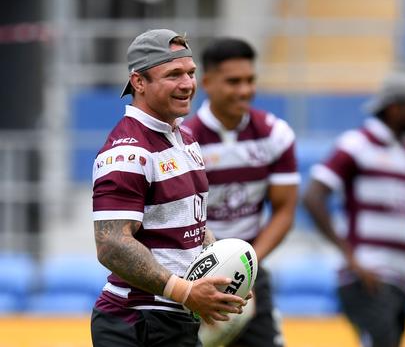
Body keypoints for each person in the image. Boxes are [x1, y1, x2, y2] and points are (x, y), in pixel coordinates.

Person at [90, 29, 246, 346]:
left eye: (190, 73)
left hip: (174, 318)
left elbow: (193, 228)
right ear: (139, 82)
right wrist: (186, 291)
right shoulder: (127, 152)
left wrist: (226, 279)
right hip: (138, 321)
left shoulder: (185, 140)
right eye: (174, 74)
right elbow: (111, 245)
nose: (188, 84)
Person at [183, 37, 299, 347]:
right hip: (193, 273)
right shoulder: (182, 140)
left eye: (250, 80)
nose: (245, 90)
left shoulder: (276, 134)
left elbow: (285, 211)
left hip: (251, 267)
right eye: (233, 81)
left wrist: (245, 265)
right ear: (206, 82)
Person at [302, 72, 405, 347]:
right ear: (396, 108)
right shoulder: (356, 144)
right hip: (366, 277)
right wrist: (351, 258)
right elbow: (313, 196)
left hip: (399, 280)